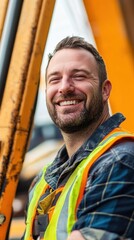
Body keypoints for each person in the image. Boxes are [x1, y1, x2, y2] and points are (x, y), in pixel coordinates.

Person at [22, 36, 134, 240]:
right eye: (54, 79)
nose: (64, 87)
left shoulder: (121, 161)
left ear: (105, 90)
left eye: (79, 76)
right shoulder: (43, 181)